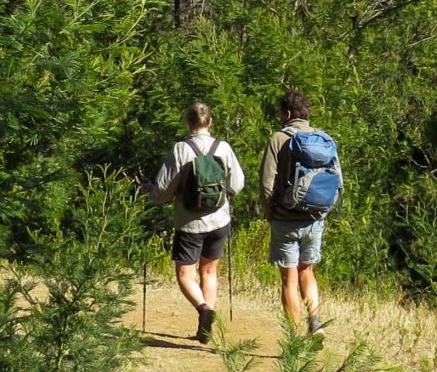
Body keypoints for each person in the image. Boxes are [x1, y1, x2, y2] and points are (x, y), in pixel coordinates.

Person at [142, 102, 245, 343]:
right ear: (210, 122)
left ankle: (204, 310)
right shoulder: (223, 148)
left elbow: (163, 192)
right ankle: (205, 329)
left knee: (185, 274)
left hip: (189, 223)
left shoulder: (180, 149)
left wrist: (149, 191)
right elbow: (237, 184)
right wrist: (225, 196)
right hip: (219, 219)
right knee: (209, 271)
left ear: (188, 123)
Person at [259, 90, 338, 335]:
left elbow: (266, 183)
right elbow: (338, 181)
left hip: (285, 219)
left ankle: (294, 339)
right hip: (315, 218)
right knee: (307, 270)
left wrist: (270, 212)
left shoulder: (278, 139)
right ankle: (315, 321)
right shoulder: (325, 139)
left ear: (287, 113)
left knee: (289, 279)